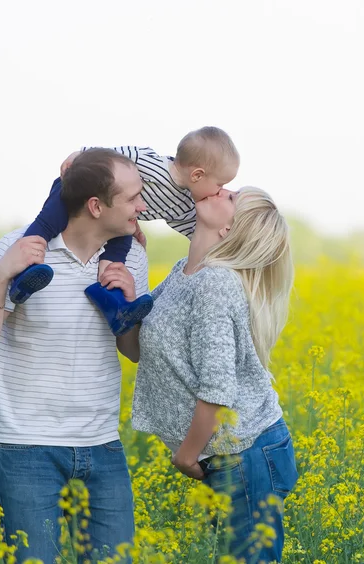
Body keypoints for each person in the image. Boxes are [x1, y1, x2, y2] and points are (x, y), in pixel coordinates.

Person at [0, 148, 149, 563]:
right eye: (132, 198)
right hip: (27, 450)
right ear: (96, 206)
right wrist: (3, 273)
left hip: (102, 446)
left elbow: (131, 352)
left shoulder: (130, 255)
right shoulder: (17, 249)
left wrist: (131, 301)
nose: (142, 206)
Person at [128, 187, 299, 562]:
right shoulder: (184, 272)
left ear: (230, 229)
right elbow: (137, 347)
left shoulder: (215, 285)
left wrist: (186, 457)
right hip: (228, 455)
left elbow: (218, 390)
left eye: (233, 197)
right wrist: (132, 275)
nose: (221, 188)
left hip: (245, 454)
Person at [9, 126, 240, 336]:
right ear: (197, 175)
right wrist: (79, 155)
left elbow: (199, 231)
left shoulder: (184, 204)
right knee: (48, 224)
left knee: (117, 257)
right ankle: (24, 274)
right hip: (77, 187)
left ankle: (115, 306)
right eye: (220, 184)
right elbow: (108, 158)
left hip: (118, 222)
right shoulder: (149, 162)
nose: (220, 191)